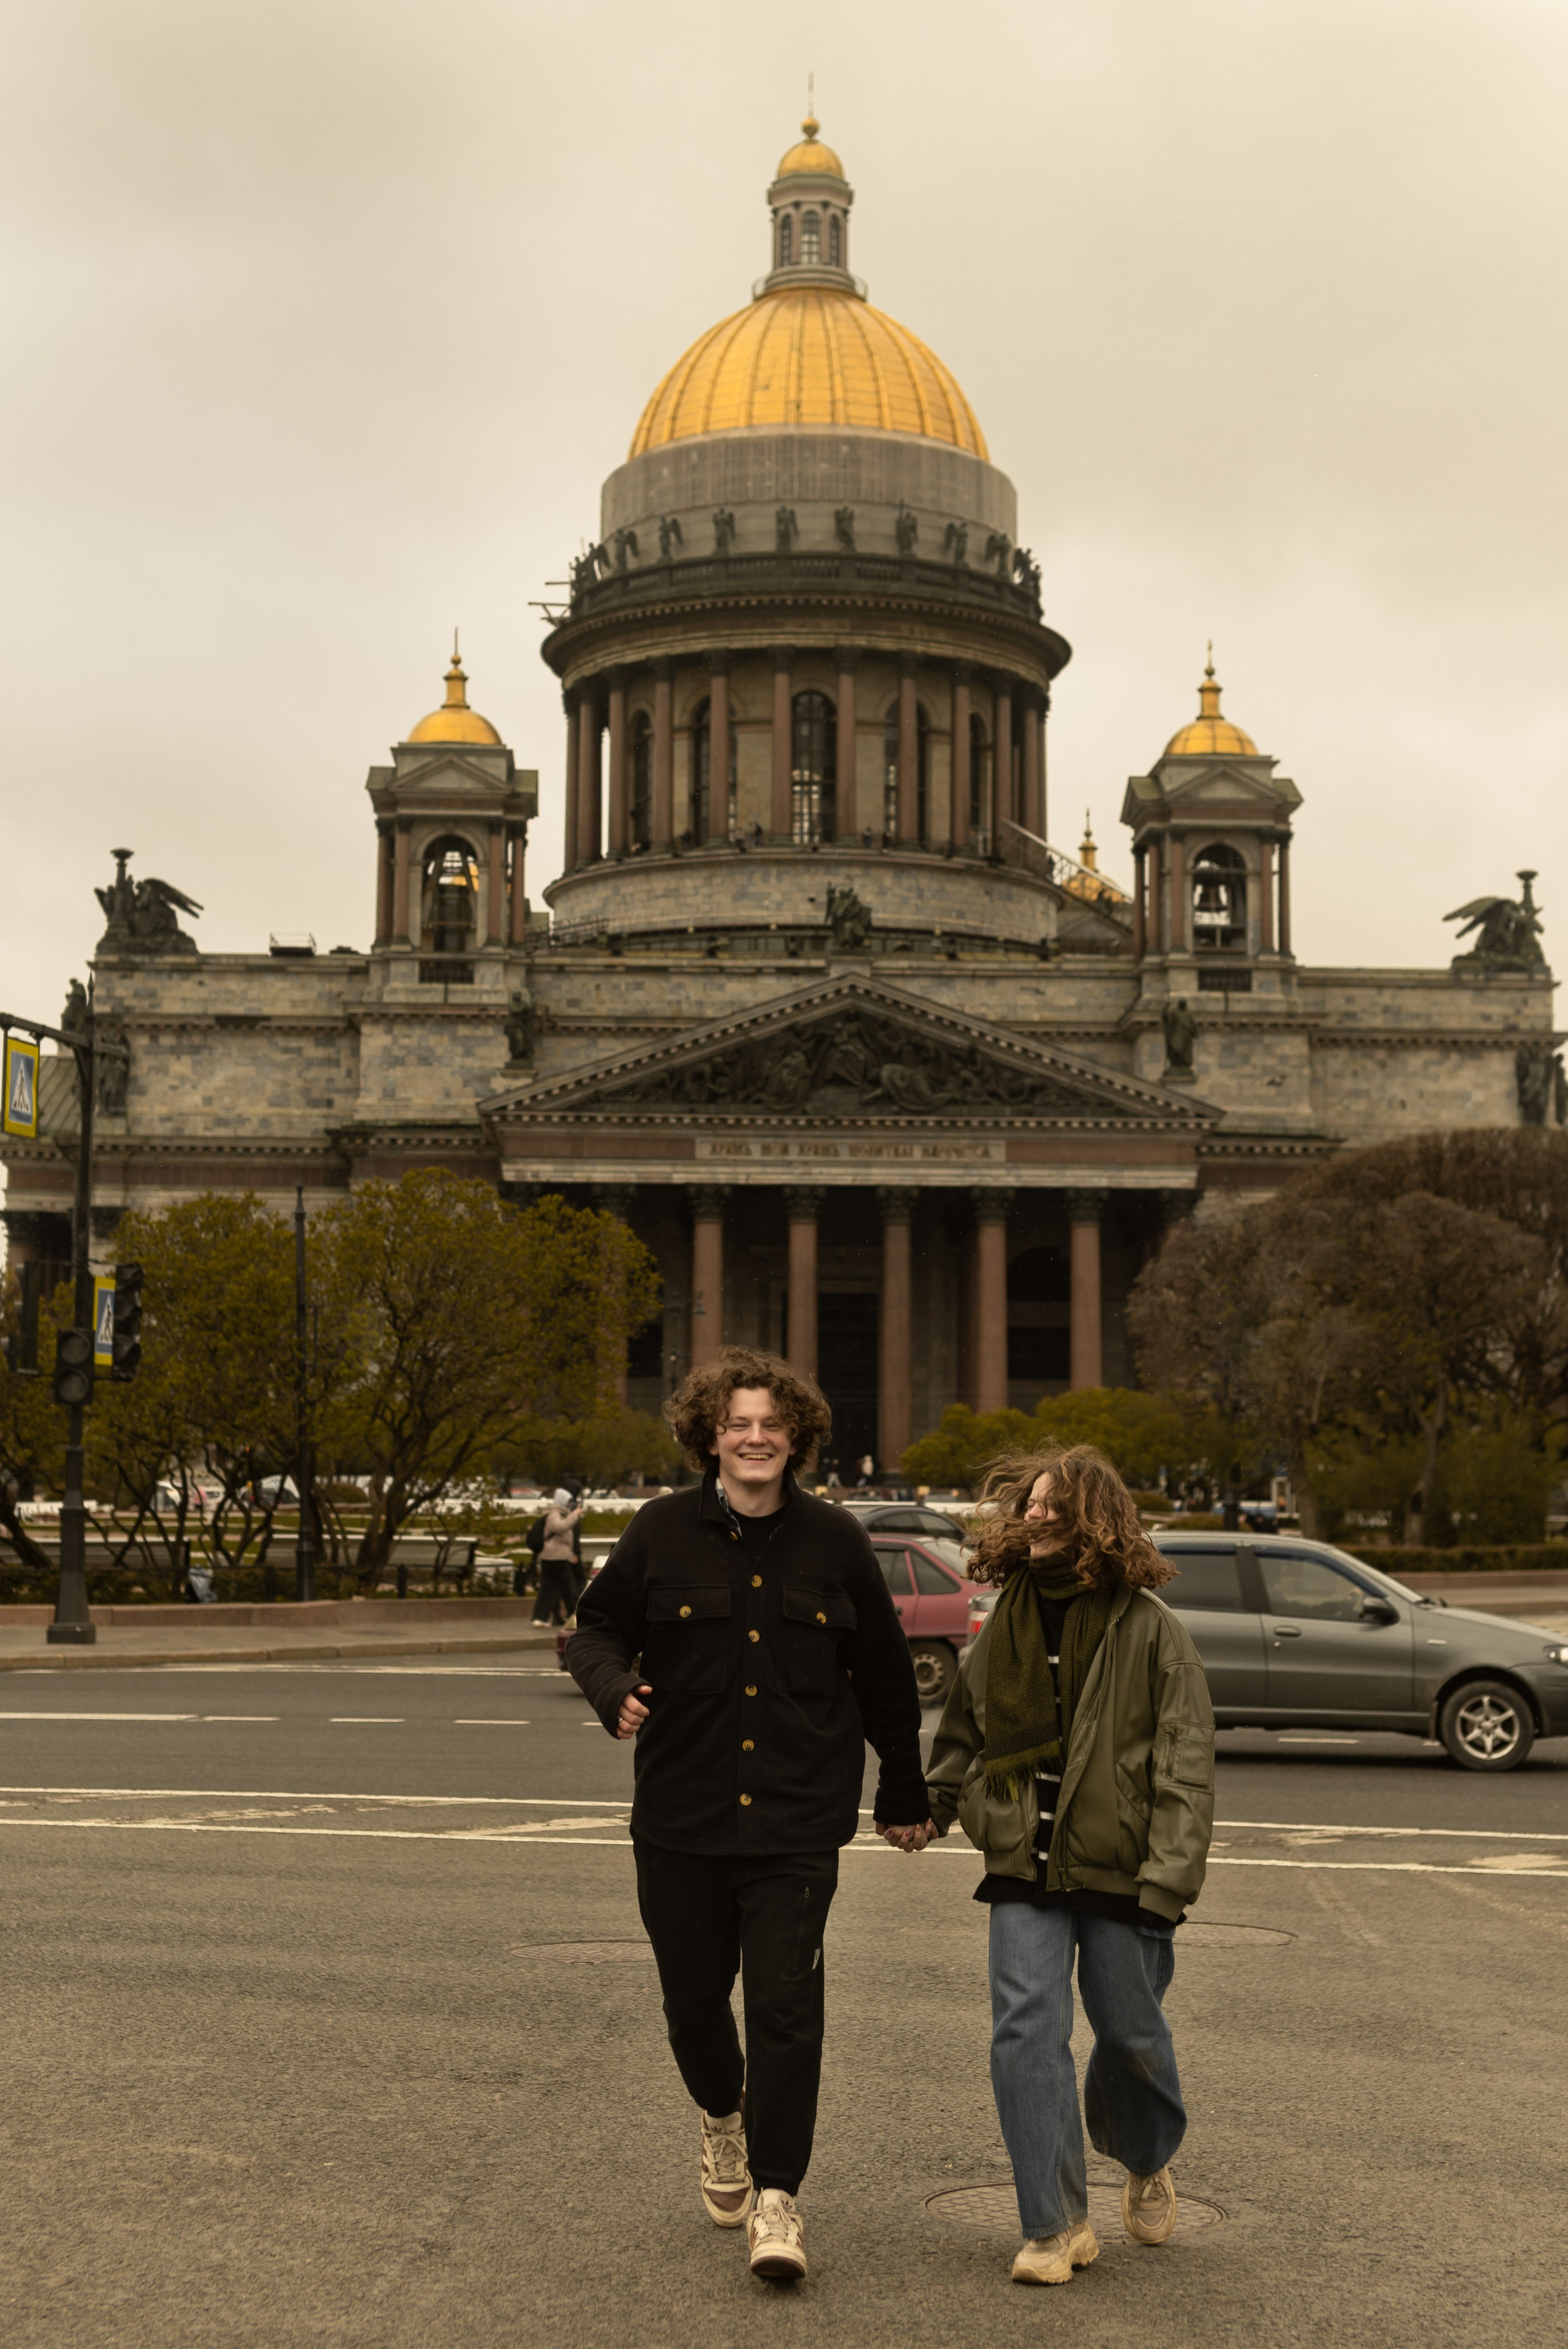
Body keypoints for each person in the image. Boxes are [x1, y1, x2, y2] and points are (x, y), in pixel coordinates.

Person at [567, 1345, 930, 2284]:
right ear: (708, 1437)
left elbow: (886, 1674)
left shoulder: (837, 1542)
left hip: (796, 1823)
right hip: (681, 1818)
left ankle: (778, 2196)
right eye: (738, 1423)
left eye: (772, 1423)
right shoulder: (658, 1532)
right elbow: (595, 1628)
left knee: (784, 2006)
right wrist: (613, 1688)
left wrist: (902, 1788)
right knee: (693, 2004)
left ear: (798, 1436)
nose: (756, 1437)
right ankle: (722, 2118)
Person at [925, 1445, 1215, 2288]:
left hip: (1123, 1868)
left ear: (1099, 1520)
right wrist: (937, 1804)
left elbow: (1185, 1764)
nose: (1039, 1515)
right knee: (1025, 2029)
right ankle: (1055, 2225)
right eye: (1032, 1504)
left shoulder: (1151, 1627)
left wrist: (1169, 1877)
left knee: (1131, 2033)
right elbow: (964, 1729)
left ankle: (1147, 2151)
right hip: (1024, 1858)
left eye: (1057, 1505)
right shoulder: (1006, 1615)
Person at [531, 1488, 584, 1626]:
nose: (570, 1505)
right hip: (556, 1557)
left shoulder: (559, 1513)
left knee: (548, 1588)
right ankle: (576, 1617)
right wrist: (574, 1516)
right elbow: (558, 1527)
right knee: (568, 1588)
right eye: (568, 1502)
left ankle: (541, 1618)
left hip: (554, 1556)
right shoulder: (554, 1514)